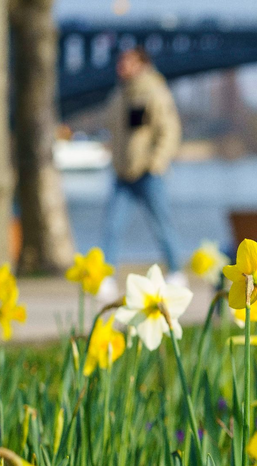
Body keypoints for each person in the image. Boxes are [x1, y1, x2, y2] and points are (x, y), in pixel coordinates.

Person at [99, 47, 183, 299]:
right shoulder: (118, 95)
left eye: (127, 62)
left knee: (162, 224)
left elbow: (170, 130)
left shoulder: (155, 92)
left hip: (149, 173)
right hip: (123, 174)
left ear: (141, 64)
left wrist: (156, 163)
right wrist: (115, 159)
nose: (121, 66)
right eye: (120, 62)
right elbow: (114, 131)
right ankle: (107, 278)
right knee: (112, 225)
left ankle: (176, 272)